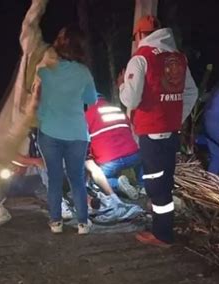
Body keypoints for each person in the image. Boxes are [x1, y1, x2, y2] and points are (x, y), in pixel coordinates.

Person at [118, 15, 198, 246]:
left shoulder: (140, 58)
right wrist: (175, 118)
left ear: (141, 35)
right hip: (171, 132)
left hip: (151, 133)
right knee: (165, 182)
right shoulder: (179, 58)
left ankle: (162, 235)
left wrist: (122, 84)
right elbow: (191, 92)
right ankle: (164, 227)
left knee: (155, 184)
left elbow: (131, 100)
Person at [30, 24, 97, 235]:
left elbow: (33, 94)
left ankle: (56, 222)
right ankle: (83, 224)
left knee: (55, 178)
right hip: (77, 133)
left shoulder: (44, 70)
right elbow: (91, 100)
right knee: (77, 178)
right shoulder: (84, 72)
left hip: (49, 131)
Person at [85, 94, 144, 200]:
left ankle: (118, 184)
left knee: (98, 180)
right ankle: (143, 185)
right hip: (132, 155)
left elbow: (85, 143)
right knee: (142, 164)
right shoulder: (117, 110)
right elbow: (130, 130)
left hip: (109, 162)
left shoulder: (87, 116)